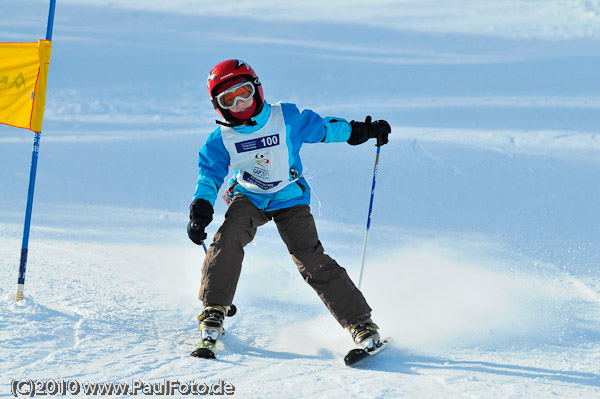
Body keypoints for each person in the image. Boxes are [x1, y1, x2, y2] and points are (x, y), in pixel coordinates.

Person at [187, 59, 390, 352]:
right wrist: (201, 209)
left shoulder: (286, 118)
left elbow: (322, 129)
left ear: (257, 89)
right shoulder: (222, 138)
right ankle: (214, 308)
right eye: (229, 99)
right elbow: (209, 174)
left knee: (308, 255)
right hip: (250, 195)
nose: (240, 103)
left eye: (244, 92)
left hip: (289, 196)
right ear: (218, 106)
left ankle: (360, 322)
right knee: (227, 239)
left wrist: (360, 131)